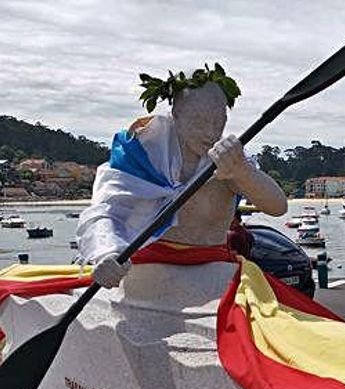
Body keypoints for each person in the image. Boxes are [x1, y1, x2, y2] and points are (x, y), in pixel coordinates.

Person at [76, 65, 287, 288]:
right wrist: (107, 252)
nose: (210, 132)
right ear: (175, 115)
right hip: (146, 271)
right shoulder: (142, 152)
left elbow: (277, 206)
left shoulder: (229, 158)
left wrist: (244, 172)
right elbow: (107, 210)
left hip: (214, 273)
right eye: (199, 121)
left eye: (219, 120)